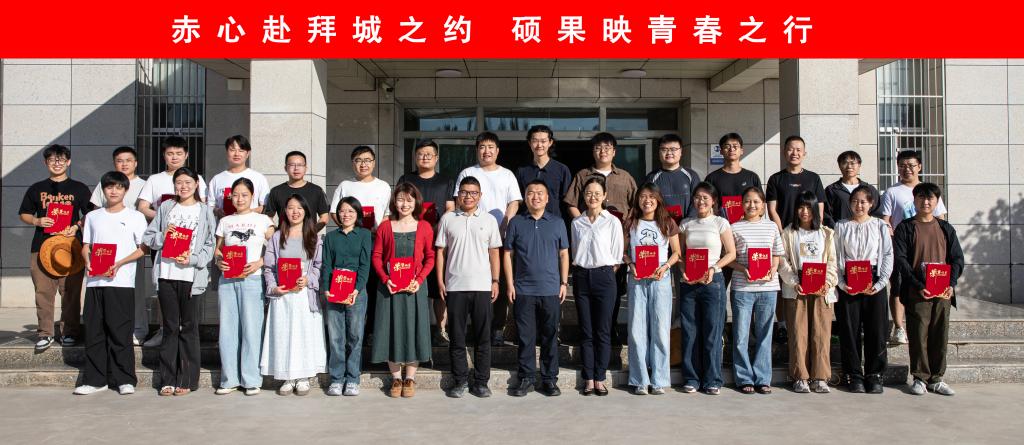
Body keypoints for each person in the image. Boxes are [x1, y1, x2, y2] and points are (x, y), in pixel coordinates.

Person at [142, 167, 216, 396]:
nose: (183, 187)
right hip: (167, 274)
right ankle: (167, 379)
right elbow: (149, 238)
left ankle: (187, 379)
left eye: (188, 182)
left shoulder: (205, 211)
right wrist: (163, 235)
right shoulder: (166, 207)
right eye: (179, 183)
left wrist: (193, 259)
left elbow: (210, 245)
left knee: (189, 327)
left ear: (196, 184)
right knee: (170, 327)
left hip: (191, 277)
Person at [73, 171, 148, 395]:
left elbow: (143, 249)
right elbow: (86, 246)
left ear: (125, 190)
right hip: (95, 282)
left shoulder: (135, 217)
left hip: (121, 282)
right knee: (94, 331)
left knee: (120, 331)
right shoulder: (93, 217)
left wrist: (119, 263)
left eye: (118, 187)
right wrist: (87, 260)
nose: (113, 191)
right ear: (103, 190)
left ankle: (125, 379)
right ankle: (95, 380)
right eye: (109, 187)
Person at [564, 132, 638, 346]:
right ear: (593, 151)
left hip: (618, 244)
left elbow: (635, 206)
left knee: (615, 290)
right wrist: (584, 224)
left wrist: (624, 229)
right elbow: (571, 203)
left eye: (607, 147)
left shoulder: (625, 177)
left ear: (614, 151)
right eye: (598, 147)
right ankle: (590, 333)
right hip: (590, 247)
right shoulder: (582, 175)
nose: (602, 151)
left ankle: (610, 328)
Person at [19, 144, 94, 351]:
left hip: (71, 247)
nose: (57, 163)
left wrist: (76, 226)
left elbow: (90, 214)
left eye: (61, 159)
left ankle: (70, 332)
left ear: (68, 162)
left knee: (70, 292)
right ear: (46, 163)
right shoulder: (36, 188)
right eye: (52, 159)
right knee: (43, 292)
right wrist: (37, 221)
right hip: (41, 246)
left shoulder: (79, 188)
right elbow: (24, 213)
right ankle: (45, 333)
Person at [892, 183, 964, 396]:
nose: (926, 202)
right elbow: (901, 260)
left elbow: (957, 259)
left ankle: (936, 378)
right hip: (918, 292)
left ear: (936, 201)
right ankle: (920, 378)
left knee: (940, 334)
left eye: (930, 198)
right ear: (914, 201)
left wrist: (951, 283)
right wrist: (919, 285)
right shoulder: (906, 228)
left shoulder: (945, 228)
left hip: (942, 292)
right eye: (921, 197)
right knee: (918, 334)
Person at [137, 136, 208, 347]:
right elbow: (142, 206)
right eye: (170, 153)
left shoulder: (197, 178)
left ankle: (187, 334)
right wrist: (163, 220)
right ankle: (163, 330)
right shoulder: (155, 179)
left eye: (178, 153)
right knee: (164, 287)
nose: (174, 157)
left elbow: (203, 206)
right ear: (164, 155)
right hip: (165, 241)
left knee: (188, 292)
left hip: (190, 246)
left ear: (186, 155)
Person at [435, 176, 502, 398]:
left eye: (473, 193)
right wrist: (441, 281)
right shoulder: (448, 219)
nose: (468, 196)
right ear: (458, 194)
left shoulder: (489, 220)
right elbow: (441, 252)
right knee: (457, 337)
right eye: (464, 192)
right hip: (455, 286)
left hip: (482, 286)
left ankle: (481, 382)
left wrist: (495, 280)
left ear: (480, 196)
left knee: (483, 338)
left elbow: (494, 252)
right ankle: (460, 381)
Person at [453, 132, 522, 346]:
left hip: (499, 238)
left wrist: (505, 224)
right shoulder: (468, 173)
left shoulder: (507, 175)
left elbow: (514, 202)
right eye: (482, 147)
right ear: (477, 150)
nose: (486, 151)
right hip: (471, 239)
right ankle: (473, 328)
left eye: (491, 147)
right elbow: (459, 200)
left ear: (497, 151)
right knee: (472, 284)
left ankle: (497, 329)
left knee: (497, 281)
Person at [504, 180, 570, 397]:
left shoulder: (558, 222)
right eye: (531, 193)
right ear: (525, 197)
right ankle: (526, 378)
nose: (535, 197)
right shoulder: (516, 222)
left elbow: (564, 254)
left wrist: (563, 283)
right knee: (526, 337)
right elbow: (508, 254)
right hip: (524, 290)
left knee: (550, 336)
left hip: (551, 289)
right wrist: (510, 284)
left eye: (540, 193)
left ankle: (550, 379)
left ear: (547, 198)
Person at [371, 183, 435, 398]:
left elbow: (430, 257)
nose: (404, 204)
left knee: (415, 329)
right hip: (389, 288)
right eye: (400, 199)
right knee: (391, 329)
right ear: (394, 202)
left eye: (409, 200)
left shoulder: (424, 227)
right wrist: (385, 279)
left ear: (416, 202)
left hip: (414, 288)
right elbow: (377, 256)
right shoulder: (385, 227)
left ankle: (410, 378)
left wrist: (419, 279)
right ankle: (396, 378)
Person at [213, 178, 275, 396]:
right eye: (236, 195)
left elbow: (275, 248)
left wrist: (260, 263)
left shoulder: (263, 220)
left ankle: (251, 379)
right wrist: (219, 261)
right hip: (228, 280)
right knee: (228, 329)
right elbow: (218, 250)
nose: (239, 199)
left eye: (244, 195)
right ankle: (229, 379)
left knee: (252, 328)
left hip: (252, 279)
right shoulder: (225, 221)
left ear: (252, 197)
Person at [260, 194, 326, 396]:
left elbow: (319, 266)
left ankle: (303, 376)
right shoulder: (276, 237)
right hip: (283, 295)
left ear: (306, 211)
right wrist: (273, 287)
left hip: (304, 294)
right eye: (290, 208)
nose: (295, 212)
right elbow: (269, 268)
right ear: (284, 212)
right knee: (284, 334)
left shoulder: (314, 237)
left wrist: (309, 279)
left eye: (299, 208)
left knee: (304, 334)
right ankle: (287, 377)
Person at [881, 150, 948, 346]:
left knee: (928, 284)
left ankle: (927, 325)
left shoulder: (929, 190)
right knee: (898, 285)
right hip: (902, 246)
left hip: (928, 247)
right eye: (902, 165)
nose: (907, 169)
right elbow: (886, 220)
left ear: (919, 166)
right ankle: (899, 327)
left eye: (911, 165)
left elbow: (941, 219)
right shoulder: (892, 192)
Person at [834, 185, 894, 394]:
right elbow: (836, 256)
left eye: (863, 201)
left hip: (873, 280)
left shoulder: (879, 225)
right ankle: (854, 375)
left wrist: (880, 283)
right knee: (849, 330)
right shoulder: (841, 226)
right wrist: (842, 283)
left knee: (876, 329)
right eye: (854, 201)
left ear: (871, 204)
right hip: (849, 281)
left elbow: (887, 254)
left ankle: (874, 374)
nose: (858, 205)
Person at [88, 146, 151, 346]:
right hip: (105, 250)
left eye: (128, 160)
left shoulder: (144, 185)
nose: (124, 164)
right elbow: (96, 212)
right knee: (106, 292)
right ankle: (109, 330)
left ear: (136, 163)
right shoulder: (105, 184)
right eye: (119, 160)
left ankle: (138, 329)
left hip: (132, 247)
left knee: (135, 289)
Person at [678, 182, 736, 395]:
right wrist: (683, 270)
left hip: (713, 282)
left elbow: (731, 253)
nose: (700, 201)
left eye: (705, 198)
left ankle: (712, 379)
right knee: (690, 331)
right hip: (689, 283)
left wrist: (714, 268)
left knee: (712, 331)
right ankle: (691, 378)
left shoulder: (720, 223)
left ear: (713, 201)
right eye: (697, 197)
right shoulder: (685, 224)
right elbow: (680, 255)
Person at [777, 191, 838, 394]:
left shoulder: (827, 233)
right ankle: (800, 377)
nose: (804, 212)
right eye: (801, 207)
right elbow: (782, 261)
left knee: (821, 333)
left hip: (822, 291)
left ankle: (820, 377)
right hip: (797, 291)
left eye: (808, 207)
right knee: (798, 334)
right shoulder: (788, 233)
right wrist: (794, 282)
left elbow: (833, 261)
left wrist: (828, 283)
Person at [624, 183, 681, 395]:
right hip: (637, 279)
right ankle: (640, 379)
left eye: (651, 197)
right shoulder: (631, 222)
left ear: (658, 200)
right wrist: (631, 264)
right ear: (637, 200)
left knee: (660, 329)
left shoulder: (667, 222)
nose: (647, 200)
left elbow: (676, 252)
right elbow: (622, 251)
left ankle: (659, 380)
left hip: (660, 280)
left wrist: (665, 267)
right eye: (642, 196)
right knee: (637, 330)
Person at [397, 140, 456, 347]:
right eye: (421, 154)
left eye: (429, 154)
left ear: (436, 158)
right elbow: (400, 204)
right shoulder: (407, 179)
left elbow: (450, 208)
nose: (425, 157)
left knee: (439, 288)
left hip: (437, 240)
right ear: (415, 157)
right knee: (413, 285)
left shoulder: (446, 181)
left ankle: (440, 330)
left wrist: (437, 227)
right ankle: (415, 330)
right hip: (410, 239)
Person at [570, 177, 624, 396]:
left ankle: (600, 377)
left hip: (605, 276)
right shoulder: (577, 223)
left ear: (604, 196)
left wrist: (604, 273)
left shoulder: (612, 222)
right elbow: (575, 251)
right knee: (586, 330)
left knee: (602, 330)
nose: (592, 197)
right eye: (588, 193)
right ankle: (589, 378)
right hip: (582, 276)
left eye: (597, 193)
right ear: (584, 196)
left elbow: (617, 254)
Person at [728, 186, 785, 395]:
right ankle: (744, 378)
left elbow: (777, 254)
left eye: (756, 202)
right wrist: (743, 268)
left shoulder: (771, 227)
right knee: (741, 335)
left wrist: (772, 269)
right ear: (741, 204)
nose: (751, 205)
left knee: (764, 334)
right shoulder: (734, 227)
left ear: (763, 206)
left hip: (768, 288)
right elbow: (729, 258)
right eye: (747, 201)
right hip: (742, 287)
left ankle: (762, 378)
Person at [320, 197, 373, 397]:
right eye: (342, 211)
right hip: (335, 289)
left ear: (357, 214)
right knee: (335, 336)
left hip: (356, 291)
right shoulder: (331, 237)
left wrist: (357, 289)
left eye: (351, 211)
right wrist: (326, 288)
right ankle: (336, 378)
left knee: (355, 336)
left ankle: (352, 378)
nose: (346, 215)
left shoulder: (365, 235)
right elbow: (327, 264)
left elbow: (365, 265)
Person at [766, 136, 826, 231]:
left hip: (809, 232)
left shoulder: (814, 178)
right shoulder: (775, 179)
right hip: (785, 232)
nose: (794, 153)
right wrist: (781, 233)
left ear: (804, 153)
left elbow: (819, 209)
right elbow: (772, 210)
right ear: (784, 152)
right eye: (790, 149)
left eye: (798, 150)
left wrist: (814, 230)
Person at [515, 125, 572, 219]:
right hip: (527, 221)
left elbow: (567, 202)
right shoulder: (522, 171)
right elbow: (518, 200)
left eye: (543, 141)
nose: (539, 145)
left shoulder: (562, 170)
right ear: (529, 143)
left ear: (550, 142)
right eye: (535, 141)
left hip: (554, 222)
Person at [264, 150, 330, 231]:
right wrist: (278, 233)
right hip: (284, 238)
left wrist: (311, 233)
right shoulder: (276, 191)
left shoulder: (317, 190)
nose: (296, 168)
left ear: (305, 168)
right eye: (292, 165)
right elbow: (268, 217)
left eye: (300, 165)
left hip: (309, 238)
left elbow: (324, 217)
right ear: (285, 168)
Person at [207, 135, 271, 218]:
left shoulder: (258, 178)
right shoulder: (217, 179)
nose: (237, 154)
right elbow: (210, 206)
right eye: (232, 150)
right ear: (227, 152)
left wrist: (246, 212)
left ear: (248, 153)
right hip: (225, 224)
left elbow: (266, 206)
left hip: (250, 224)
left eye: (241, 150)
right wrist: (218, 211)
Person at [330, 146, 392, 230]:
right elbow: (334, 211)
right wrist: (347, 229)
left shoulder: (384, 186)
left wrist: (379, 231)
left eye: (367, 160)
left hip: (376, 235)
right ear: (353, 163)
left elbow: (388, 213)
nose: (363, 164)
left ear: (374, 163)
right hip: (351, 235)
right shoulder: (344, 185)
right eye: (358, 160)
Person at [644, 134, 702, 220]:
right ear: (659, 152)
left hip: (688, 224)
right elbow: (647, 202)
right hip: (661, 224)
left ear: (681, 151)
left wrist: (688, 222)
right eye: (664, 149)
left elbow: (698, 200)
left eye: (673, 149)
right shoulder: (652, 177)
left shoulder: (691, 175)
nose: (669, 153)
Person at [824, 150, 881, 228]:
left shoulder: (869, 189)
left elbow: (877, 212)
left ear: (859, 165)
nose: (849, 166)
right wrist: (836, 229)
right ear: (839, 165)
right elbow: (827, 215)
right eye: (845, 163)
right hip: (841, 231)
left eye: (852, 163)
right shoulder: (832, 189)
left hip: (866, 230)